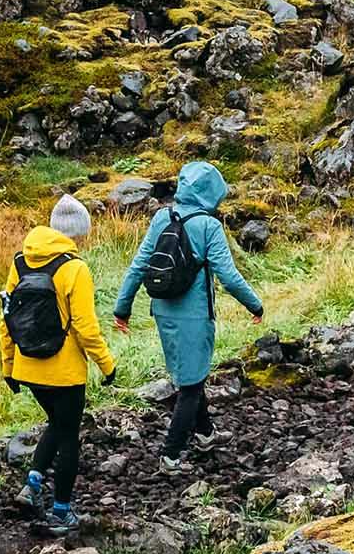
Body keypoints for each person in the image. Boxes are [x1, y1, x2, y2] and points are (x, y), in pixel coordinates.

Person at [110, 159, 263, 464]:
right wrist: (255, 305)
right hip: (194, 317)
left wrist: (122, 308)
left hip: (163, 313)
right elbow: (228, 275)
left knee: (191, 376)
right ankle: (170, 457)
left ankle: (205, 434)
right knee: (190, 387)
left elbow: (139, 265)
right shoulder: (208, 226)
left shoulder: (161, 217)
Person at [0, 192, 114, 533]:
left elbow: (6, 322)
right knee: (68, 435)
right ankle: (61, 511)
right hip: (64, 373)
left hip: (27, 367)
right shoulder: (75, 269)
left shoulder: (20, 263)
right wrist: (107, 365)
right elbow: (86, 328)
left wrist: (8, 366)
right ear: (77, 233)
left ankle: (32, 485)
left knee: (57, 422)